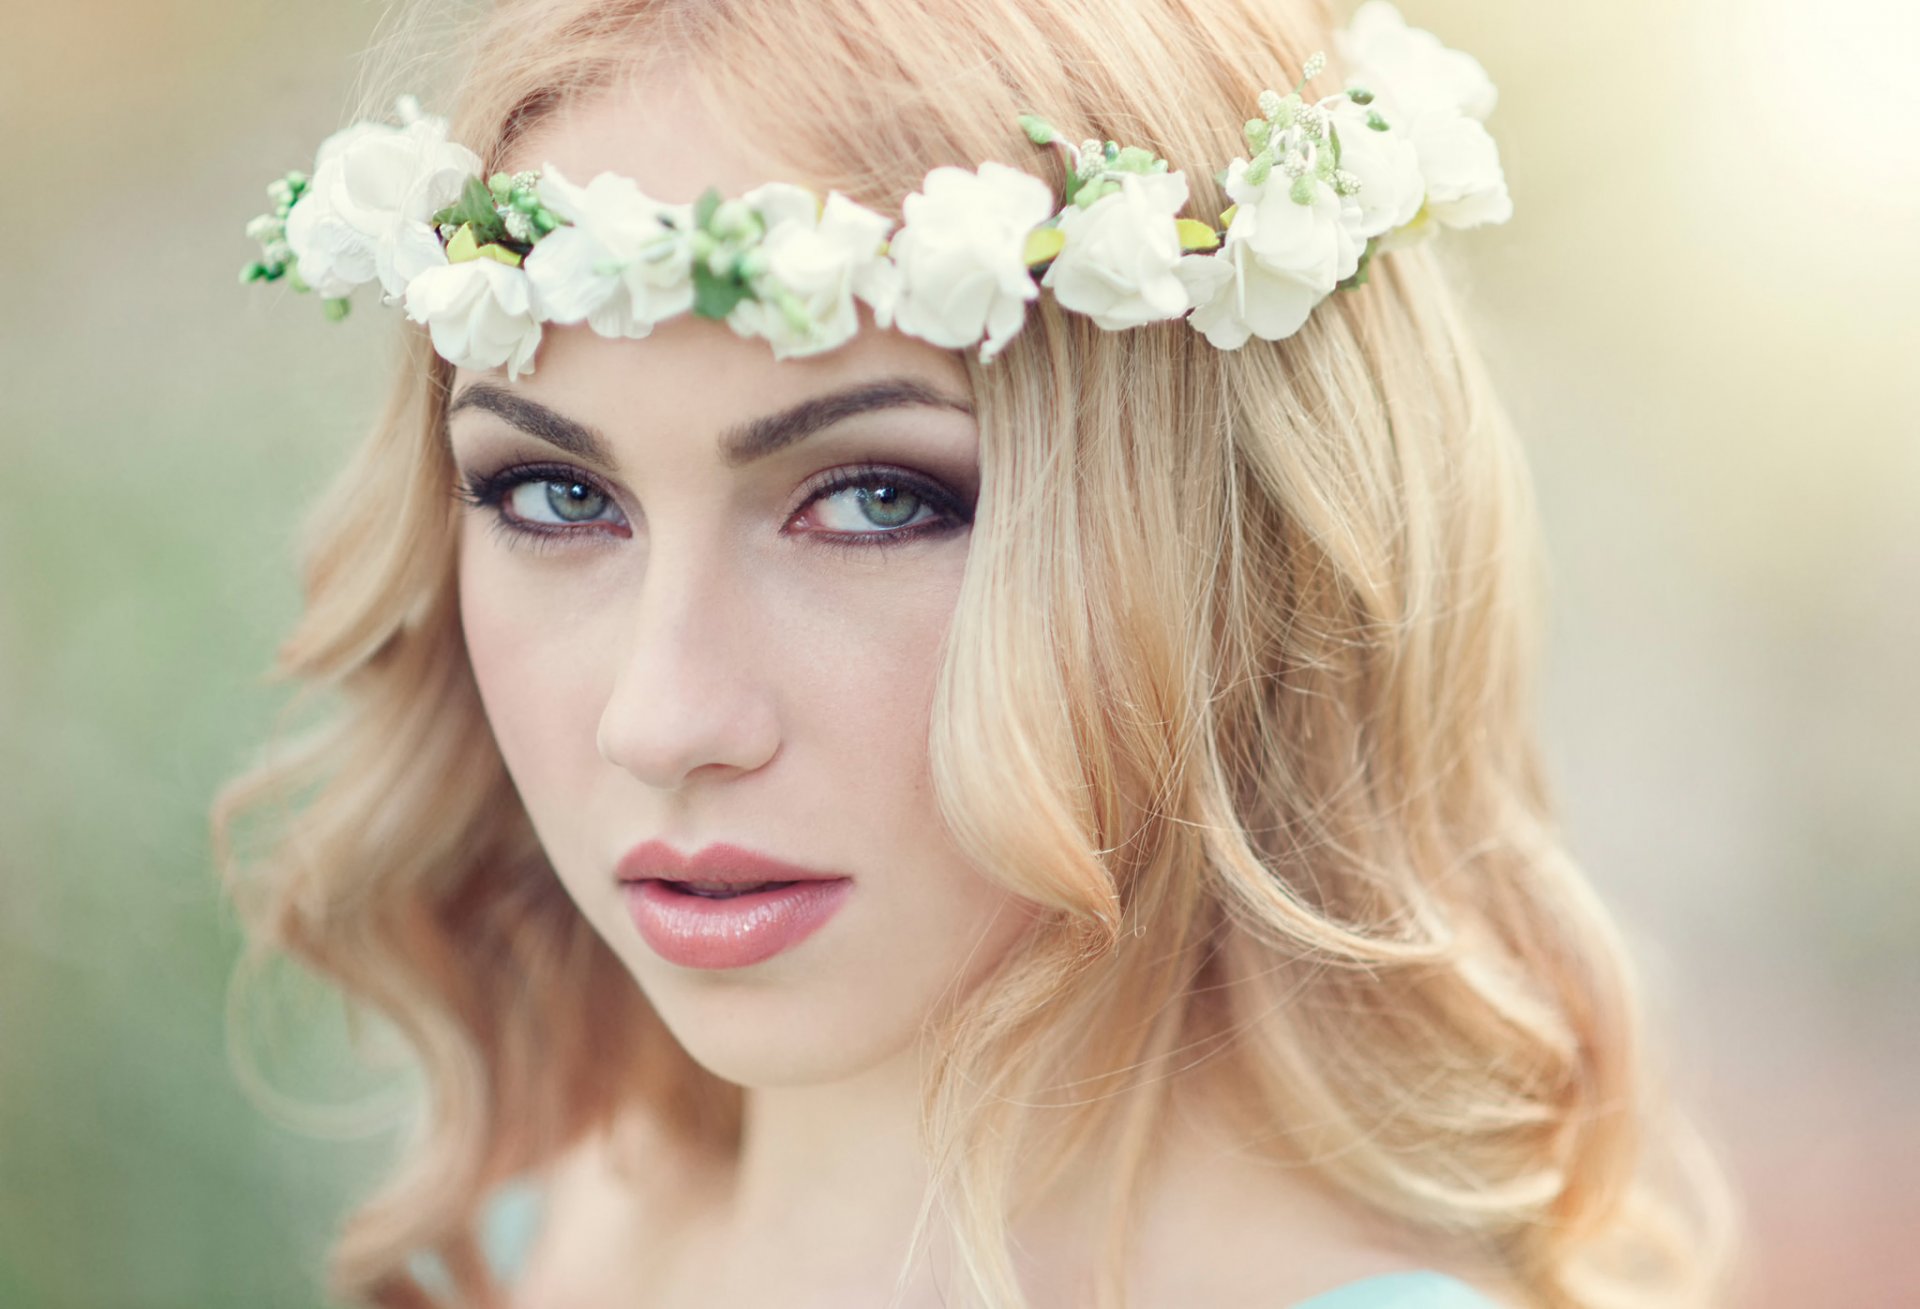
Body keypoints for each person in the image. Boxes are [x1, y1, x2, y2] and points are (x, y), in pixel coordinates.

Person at [213, 0, 1737, 1306]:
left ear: (1237, 541)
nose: (662, 717)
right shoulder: (536, 1234)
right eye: (555, 495)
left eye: (878, 499)